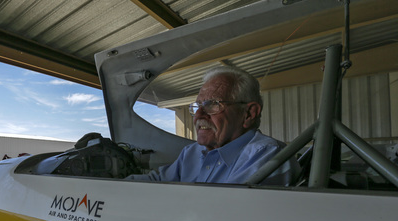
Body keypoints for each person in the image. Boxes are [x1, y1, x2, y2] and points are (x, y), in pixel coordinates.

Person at [127, 66, 299, 185]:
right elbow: (157, 182)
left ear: (248, 114)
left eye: (213, 104)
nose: (198, 115)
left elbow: (225, 212)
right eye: (198, 106)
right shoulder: (192, 152)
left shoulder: (268, 155)